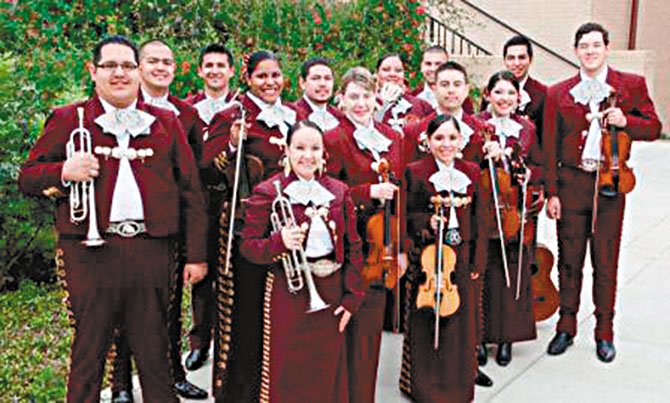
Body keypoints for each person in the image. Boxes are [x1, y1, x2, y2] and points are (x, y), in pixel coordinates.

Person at [18, 35, 208, 402]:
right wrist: (63, 170)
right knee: (89, 349)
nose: (119, 73)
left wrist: (196, 255)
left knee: (155, 351)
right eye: (109, 66)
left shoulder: (166, 122)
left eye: (127, 66)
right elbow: (27, 177)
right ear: (93, 71)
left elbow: (191, 192)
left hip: (151, 250)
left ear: (138, 71)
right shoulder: (67, 119)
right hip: (90, 253)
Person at [544, 22, 661, 363]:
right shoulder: (558, 93)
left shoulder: (631, 85)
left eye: (596, 45)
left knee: (605, 262)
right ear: (576, 51)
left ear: (607, 48)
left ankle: (604, 331)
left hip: (610, 183)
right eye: (584, 46)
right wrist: (552, 192)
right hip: (571, 184)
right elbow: (549, 146)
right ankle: (565, 327)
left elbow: (654, 127)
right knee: (569, 260)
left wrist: (627, 122)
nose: (590, 51)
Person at [108, 39, 208, 401]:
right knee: (121, 309)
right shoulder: (116, 109)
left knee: (167, 307)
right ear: (138, 67)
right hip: (125, 227)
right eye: (152, 61)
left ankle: (172, 374)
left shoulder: (186, 115)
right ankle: (121, 383)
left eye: (167, 61)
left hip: (170, 228)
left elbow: (192, 181)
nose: (160, 67)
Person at [239, 120, 365, 402]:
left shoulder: (339, 191)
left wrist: (351, 298)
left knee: (326, 367)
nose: (307, 155)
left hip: (331, 290)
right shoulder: (269, 192)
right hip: (289, 291)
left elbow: (353, 247)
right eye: (300, 148)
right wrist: (279, 242)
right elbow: (248, 247)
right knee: (288, 366)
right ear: (287, 150)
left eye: (315, 148)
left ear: (324, 153)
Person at [203, 50, 297, 401]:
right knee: (246, 317)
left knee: (283, 313)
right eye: (262, 76)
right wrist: (230, 143)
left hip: (289, 227)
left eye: (275, 75)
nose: (270, 83)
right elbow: (206, 170)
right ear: (248, 79)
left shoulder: (295, 115)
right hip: (247, 229)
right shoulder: (232, 115)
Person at [403, 60, 494, 387]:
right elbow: (408, 213)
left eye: (451, 138)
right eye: (438, 138)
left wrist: (478, 260)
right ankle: (426, 379)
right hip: (429, 256)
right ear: (428, 141)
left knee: (463, 320)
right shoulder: (416, 170)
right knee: (427, 320)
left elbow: (481, 220)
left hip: (463, 252)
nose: (445, 144)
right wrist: (428, 221)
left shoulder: (470, 171)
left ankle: (460, 374)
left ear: (460, 140)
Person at [324, 67, 408, 403]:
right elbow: (327, 193)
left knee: (368, 338)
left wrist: (399, 248)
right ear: (340, 100)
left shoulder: (394, 137)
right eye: (353, 97)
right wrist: (367, 191)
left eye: (366, 96)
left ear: (377, 99)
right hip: (347, 246)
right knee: (342, 333)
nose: (361, 104)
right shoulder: (333, 138)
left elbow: (399, 193)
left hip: (381, 248)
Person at [476, 71, 543, 367]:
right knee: (484, 273)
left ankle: (506, 339)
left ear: (518, 98)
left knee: (511, 274)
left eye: (510, 93)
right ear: (488, 95)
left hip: (515, 210)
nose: (504, 99)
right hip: (484, 208)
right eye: (498, 92)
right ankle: (479, 337)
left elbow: (538, 164)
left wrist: (529, 174)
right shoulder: (475, 124)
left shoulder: (527, 128)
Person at [481, 35, 547, 146]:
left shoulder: (543, 94)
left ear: (530, 60)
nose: (516, 63)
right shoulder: (493, 90)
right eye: (511, 58)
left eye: (521, 57)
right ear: (505, 60)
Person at [375, 53, 433, 133]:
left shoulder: (421, 105)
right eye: (386, 70)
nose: (392, 74)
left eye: (398, 70)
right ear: (377, 74)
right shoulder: (366, 103)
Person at [410, 45, 475, 115]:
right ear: (421, 66)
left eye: (438, 64)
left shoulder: (460, 98)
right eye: (428, 64)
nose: (433, 69)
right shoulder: (413, 96)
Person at [186, 44, 237, 129]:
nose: (215, 71)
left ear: (231, 71)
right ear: (200, 71)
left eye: (221, 65)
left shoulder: (244, 107)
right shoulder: (186, 108)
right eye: (209, 65)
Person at [289, 57, 344, 132]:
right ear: (302, 82)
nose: (322, 84)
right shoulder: (291, 114)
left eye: (327, 78)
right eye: (315, 78)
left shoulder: (340, 117)